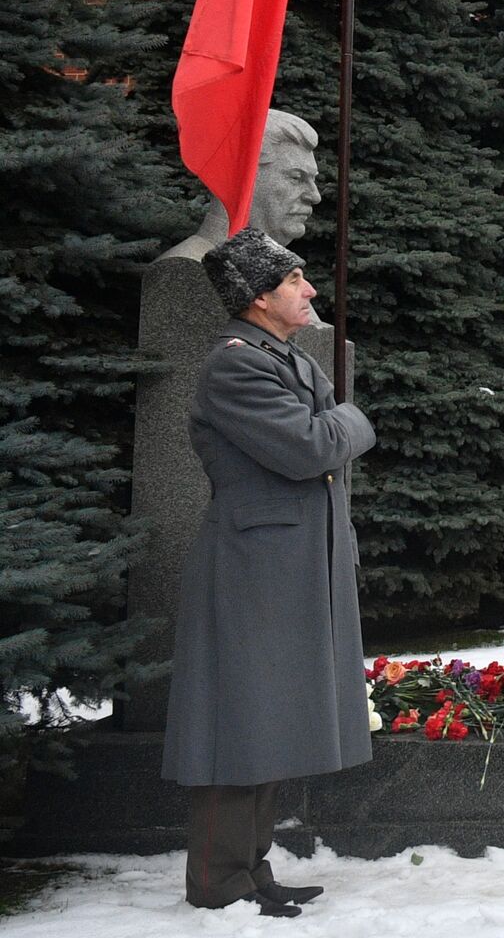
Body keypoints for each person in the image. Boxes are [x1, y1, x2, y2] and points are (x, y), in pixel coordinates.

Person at [163, 229, 377, 917]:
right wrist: (350, 422)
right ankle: (218, 880)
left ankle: (249, 868)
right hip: (254, 567)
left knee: (267, 719)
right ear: (259, 297)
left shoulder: (275, 355)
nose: (309, 290)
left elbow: (320, 442)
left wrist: (335, 429)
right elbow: (310, 447)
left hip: (285, 562)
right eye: (295, 281)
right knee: (240, 721)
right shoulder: (236, 365)